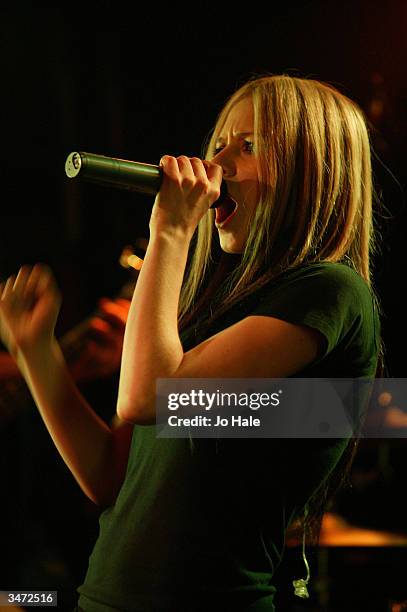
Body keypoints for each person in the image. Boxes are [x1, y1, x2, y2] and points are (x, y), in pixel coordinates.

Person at [0, 74, 382, 611]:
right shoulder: (210, 316)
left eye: (249, 147)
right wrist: (36, 352)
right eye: (218, 143)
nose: (218, 164)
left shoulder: (331, 291)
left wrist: (171, 233)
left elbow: (147, 398)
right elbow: (110, 477)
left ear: (313, 170)